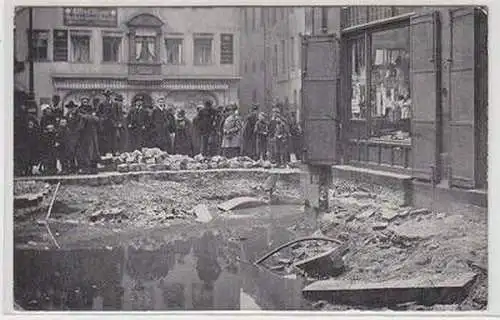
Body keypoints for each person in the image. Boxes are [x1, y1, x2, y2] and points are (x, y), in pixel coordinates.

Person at [75, 96, 100, 174]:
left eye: (86, 101)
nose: (85, 102)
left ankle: (93, 168)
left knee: (93, 150)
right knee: (83, 150)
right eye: (83, 101)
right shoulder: (78, 110)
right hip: (83, 133)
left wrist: (87, 117)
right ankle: (84, 168)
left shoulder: (91, 109)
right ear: (81, 102)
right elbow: (78, 119)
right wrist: (88, 117)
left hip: (92, 132)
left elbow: (96, 119)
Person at [97, 89, 115, 155]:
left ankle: (111, 151)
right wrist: (102, 118)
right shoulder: (101, 104)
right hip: (104, 123)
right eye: (107, 96)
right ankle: (104, 152)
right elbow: (98, 113)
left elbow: (115, 113)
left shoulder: (113, 103)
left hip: (111, 123)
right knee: (104, 137)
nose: (108, 97)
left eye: (109, 95)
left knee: (112, 137)